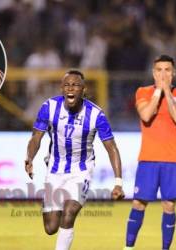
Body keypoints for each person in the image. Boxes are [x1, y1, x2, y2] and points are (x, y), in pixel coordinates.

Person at [25, 69, 125, 250]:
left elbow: (111, 148)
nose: (71, 88)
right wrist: (30, 158)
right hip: (54, 170)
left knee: (69, 212)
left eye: (76, 85)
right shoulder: (49, 107)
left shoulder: (96, 115)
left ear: (83, 90)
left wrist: (118, 182)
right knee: (51, 228)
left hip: (81, 170)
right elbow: (36, 137)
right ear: (62, 89)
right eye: (67, 85)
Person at [124, 55, 176, 250]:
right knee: (138, 204)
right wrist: (158, 92)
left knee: (169, 205)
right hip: (148, 159)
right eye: (159, 70)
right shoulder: (142, 92)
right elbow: (145, 115)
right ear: (153, 73)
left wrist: (167, 93)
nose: (163, 74)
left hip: (171, 159)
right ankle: (128, 247)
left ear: (174, 73)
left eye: (167, 70)